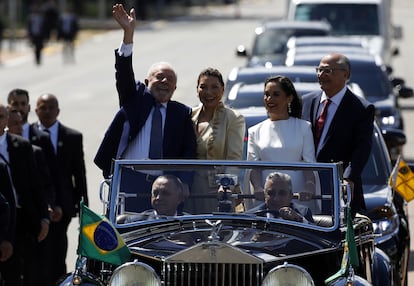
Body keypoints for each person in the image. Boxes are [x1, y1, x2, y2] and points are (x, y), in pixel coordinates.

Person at [94, 4, 196, 211]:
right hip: (129, 180)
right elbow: (123, 73)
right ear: (146, 82)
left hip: (164, 187)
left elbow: (189, 152)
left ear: (175, 88)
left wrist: (184, 181)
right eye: (159, 77)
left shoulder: (181, 113)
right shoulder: (135, 99)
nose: (165, 81)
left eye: (170, 80)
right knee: (124, 233)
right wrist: (128, 35)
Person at [301, 53, 375, 215]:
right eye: (319, 70)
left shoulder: (360, 109)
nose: (321, 75)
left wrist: (348, 178)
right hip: (306, 189)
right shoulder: (306, 102)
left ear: (345, 75)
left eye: (328, 71)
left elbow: (362, 148)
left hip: (338, 189)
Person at [34, 93, 88, 285]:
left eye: (51, 108)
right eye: (43, 108)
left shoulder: (72, 137)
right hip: (37, 206)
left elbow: (79, 174)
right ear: (36, 110)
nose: (47, 112)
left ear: (58, 110)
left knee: (58, 251)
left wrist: (84, 209)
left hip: (63, 207)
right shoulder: (28, 135)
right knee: (39, 254)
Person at [247, 75, 317, 208]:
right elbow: (253, 168)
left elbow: (309, 165)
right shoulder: (255, 131)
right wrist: (257, 188)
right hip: (267, 201)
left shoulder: (304, 127)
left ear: (289, 98)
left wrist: (309, 187)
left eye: (276, 94)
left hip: (298, 199)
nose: (269, 99)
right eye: (267, 94)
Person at [187, 67, 245, 213]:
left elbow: (234, 158)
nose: (209, 92)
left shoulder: (233, 118)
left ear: (223, 89)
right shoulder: (189, 115)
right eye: (203, 87)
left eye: (214, 87)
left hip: (217, 190)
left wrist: (226, 186)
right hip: (188, 189)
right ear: (197, 89)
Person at [0, 104, 46, 286]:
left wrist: (44, 217)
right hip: (2, 219)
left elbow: (36, 185)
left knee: (21, 273)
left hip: (22, 218)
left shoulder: (22, 145)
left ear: (6, 120)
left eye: (1, 116)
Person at [249, 172, 314, 223]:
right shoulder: (251, 215)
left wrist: (299, 220)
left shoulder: (303, 213)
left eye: (282, 193)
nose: (276, 198)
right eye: (271, 193)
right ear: (264, 195)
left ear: (290, 196)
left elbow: (314, 235)